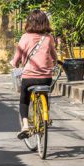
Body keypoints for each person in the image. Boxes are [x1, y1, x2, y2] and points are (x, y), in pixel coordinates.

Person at [10, 9, 57, 139]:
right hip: (46, 78)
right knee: (45, 94)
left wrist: (13, 64)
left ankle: (25, 126)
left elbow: (16, 58)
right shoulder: (48, 38)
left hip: (29, 77)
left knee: (24, 99)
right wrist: (54, 63)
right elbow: (54, 57)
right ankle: (44, 117)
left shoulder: (25, 37)